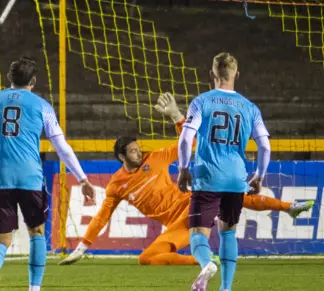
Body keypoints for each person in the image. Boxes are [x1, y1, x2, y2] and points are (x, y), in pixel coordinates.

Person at [59, 93, 312, 267]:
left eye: (138, 148)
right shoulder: (116, 185)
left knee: (240, 196)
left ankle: (289, 208)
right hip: (177, 224)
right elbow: (103, 216)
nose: (139, 152)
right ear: (121, 157)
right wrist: (82, 247)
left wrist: (176, 116)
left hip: (191, 206)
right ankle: (202, 261)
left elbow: (189, 142)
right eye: (133, 151)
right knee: (147, 258)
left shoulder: (154, 158)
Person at [0, 57, 95, 291]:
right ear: (33, 81)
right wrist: (82, 178)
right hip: (30, 178)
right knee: (37, 234)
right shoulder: (42, 106)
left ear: (10, 78)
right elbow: (61, 146)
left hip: (0, 178)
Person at [178, 52, 271, 291]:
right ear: (236, 75)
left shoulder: (201, 102)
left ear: (212, 74)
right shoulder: (250, 108)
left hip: (208, 176)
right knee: (228, 233)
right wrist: (259, 176)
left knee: (198, 232)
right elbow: (265, 147)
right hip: (235, 179)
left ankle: (207, 263)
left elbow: (186, 138)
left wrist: (184, 168)